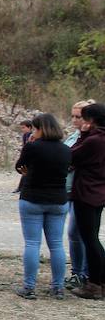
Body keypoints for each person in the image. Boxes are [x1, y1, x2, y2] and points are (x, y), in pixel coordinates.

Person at [14, 113, 72, 300]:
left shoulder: (32, 147)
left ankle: (29, 287)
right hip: (58, 200)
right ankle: (58, 287)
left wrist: (28, 168)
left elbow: (19, 166)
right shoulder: (65, 149)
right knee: (56, 245)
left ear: (39, 129)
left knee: (32, 243)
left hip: (33, 198)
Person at [69, 101, 105, 300]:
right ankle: (101, 281)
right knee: (93, 238)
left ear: (90, 120)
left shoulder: (93, 140)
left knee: (89, 240)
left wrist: (82, 134)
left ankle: (94, 284)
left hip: (86, 193)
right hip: (99, 193)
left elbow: (71, 155)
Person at [66, 99, 96, 289]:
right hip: (68, 190)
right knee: (74, 234)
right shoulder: (72, 136)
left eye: (79, 117)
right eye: (73, 116)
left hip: (83, 191)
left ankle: (83, 273)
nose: (75, 120)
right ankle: (77, 272)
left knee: (80, 233)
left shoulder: (91, 139)